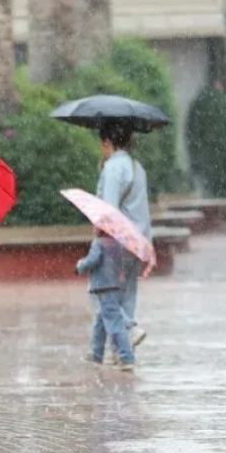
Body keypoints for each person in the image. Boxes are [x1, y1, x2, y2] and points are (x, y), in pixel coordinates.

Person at [96, 122, 151, 350]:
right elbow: (143, 209)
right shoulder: (137, 168)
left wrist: (100, 239)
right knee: (127, 295)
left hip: (116, 241)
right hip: (138, 241)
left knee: (103, 294)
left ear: (107, 142)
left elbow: (108, 211)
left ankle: (129, 329)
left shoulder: (113, 169)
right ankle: (122, 351)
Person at [76, 229, 135, 371]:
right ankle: (96, 354)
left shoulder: (99, 243)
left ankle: (127, 357)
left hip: (103, 286)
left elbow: (92, 261)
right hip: (115, 285)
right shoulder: (118, 244)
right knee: (100, 321)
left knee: (115, 325)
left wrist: (80, 265)